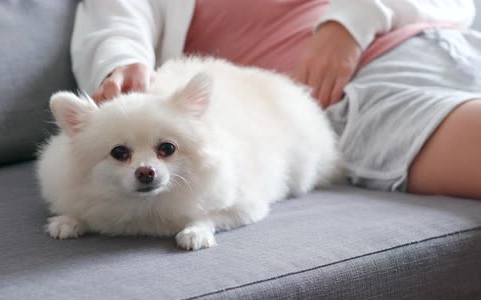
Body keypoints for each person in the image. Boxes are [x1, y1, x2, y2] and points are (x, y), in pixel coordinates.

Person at [70, 0, 481, 200]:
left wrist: (353, 18)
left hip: (452, 42)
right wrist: (120, 67)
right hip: (360, 93)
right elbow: (116, 22)